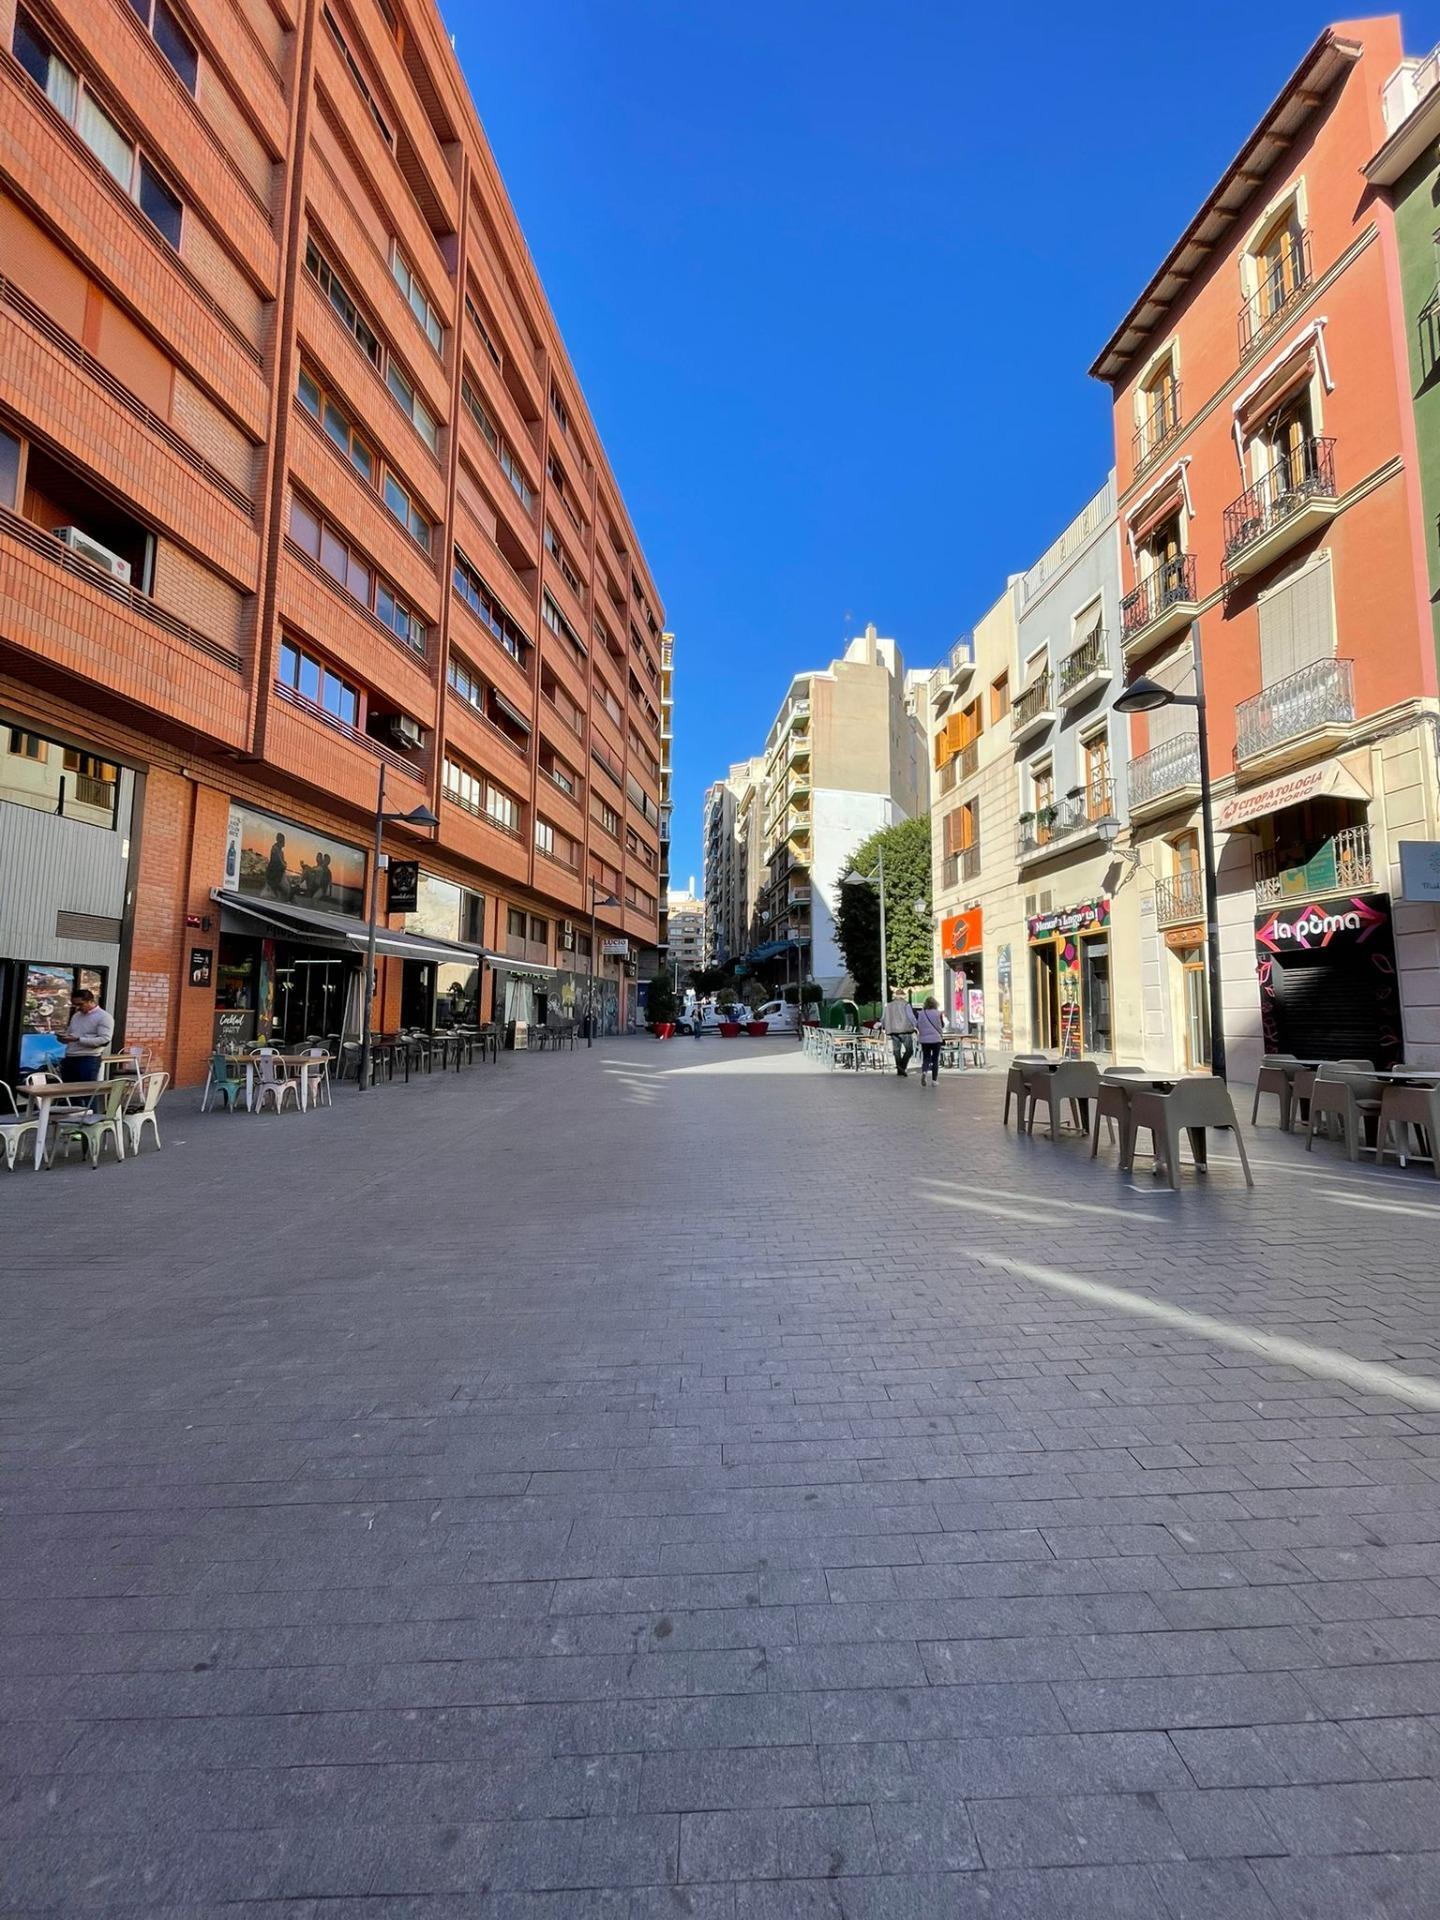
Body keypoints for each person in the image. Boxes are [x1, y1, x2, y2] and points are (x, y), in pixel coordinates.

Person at [55, 986, 114, 1087]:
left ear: (91, 1001)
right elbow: (71, 1034)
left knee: (87, 1092)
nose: (78, 1008)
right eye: (75, 1005)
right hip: (70, 1057)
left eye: (80, 1004)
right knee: (68, 1092)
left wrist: (78, 1039)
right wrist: (63, 1038)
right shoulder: (76, 1016)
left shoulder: (104, 1017)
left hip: (88, 1058)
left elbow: (104, 1040)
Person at [880, 988, 918, 1077]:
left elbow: (883, 1018)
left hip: (893, 1030)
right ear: (903, 995)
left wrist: (883, 1026)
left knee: (896, 1050)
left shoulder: (888, 1005)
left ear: (895, 996)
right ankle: (902, 1066)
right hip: (905, 1030)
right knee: (909, 1050)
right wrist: (916, 1025)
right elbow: (911, 1017)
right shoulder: (906, 1005)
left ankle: (899, 1070)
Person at [916, 996, 946, 1087]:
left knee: (926, 1057)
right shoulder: (938, 1013)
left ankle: (924, 1072)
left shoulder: (921, 1013)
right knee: (935, 1059)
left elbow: (918, 1025)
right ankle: (934, 1080)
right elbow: (942, 1025)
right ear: (935, 1004)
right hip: (936, 1039)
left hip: (924, 1039)